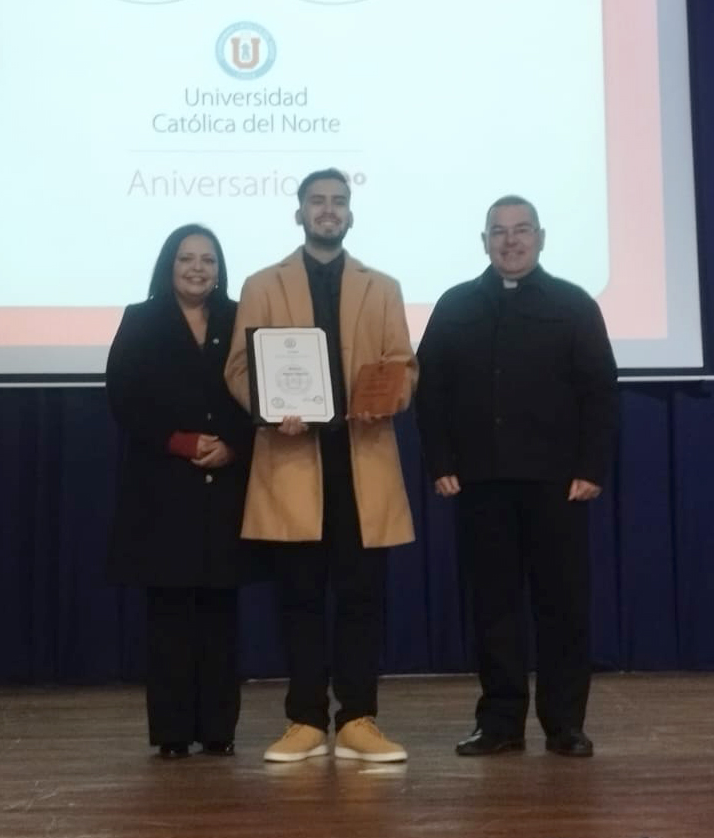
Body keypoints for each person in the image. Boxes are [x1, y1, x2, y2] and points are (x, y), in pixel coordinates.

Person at [224, 168, 416, 763]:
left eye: (338, 201)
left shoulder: (382, 287)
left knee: (361, 600)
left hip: (362, 462)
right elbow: (239, 369)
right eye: (317, 201)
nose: (328, 210)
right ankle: (305, 720)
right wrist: (268, 408)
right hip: (291, 460)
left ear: (350, 214)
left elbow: (403, 366)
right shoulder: (263, 284)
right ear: (299, 213)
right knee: (300, 600)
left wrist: (386, 397)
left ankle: (358, 719)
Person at [416, 195, 618, 758]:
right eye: (499, 231)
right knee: (493, 608)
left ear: (541, 238)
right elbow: (430, 392)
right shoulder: (455, 305)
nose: (511, 241)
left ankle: (565, 724)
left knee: (563, 607)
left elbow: (600, 392)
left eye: (521, 230)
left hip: (558, 484)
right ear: (484, 241)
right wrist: (440, 462)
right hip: (480, 483)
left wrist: (591, 468)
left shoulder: (574, 304)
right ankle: (500, 723)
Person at [106, 223, 256, 759]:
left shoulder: (241, 318)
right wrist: (180, 441)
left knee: (220, 614)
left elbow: (259, 394)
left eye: (208, 260)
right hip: (163, 489)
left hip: (225, 486)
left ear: (219, 269)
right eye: (187, 258)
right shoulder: (141, 320)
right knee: (169, 615)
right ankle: (171, 733)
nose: (198, 268)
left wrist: (234, 446)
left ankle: (218, 730)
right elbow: (124, 397)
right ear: (169, 265)